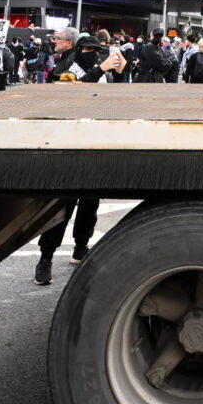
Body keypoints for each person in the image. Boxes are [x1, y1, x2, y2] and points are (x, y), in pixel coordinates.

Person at [33, 29, 125, 285]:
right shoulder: (67, 66)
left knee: (90, 200)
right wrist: (101, 68)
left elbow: (117, 99)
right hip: (67, 143)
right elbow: (69, 91)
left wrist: (119, 73)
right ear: (77, 49)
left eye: (96, 51)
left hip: (94, 140)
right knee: (61, 205)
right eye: (87, 50)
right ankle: (45, 258)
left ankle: (80, 247)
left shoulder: (99, 67)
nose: (92, 55)